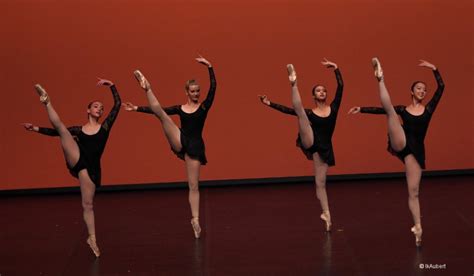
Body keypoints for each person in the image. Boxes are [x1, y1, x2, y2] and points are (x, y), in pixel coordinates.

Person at [348, 58, 444, 246]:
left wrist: (435, 69)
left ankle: (418, 227)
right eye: (419, 88)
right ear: (412, 91)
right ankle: (380, 78)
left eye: (424, 90)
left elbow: (441, 88)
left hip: (414, 152)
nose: (422, 91)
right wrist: (362, 109)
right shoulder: (404, 110)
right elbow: (382, 110)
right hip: (400, 141)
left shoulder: (428, 109)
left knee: (414, 192)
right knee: (391, 112)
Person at [22, 78, 122, 257]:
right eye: (96, 106)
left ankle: (92, 238)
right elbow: (57, 132)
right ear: (88, 110)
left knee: (88, 205)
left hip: (91, 170)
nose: (100, 108)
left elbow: (118, 105)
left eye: (101, 107)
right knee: (62, 130)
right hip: (78, 160)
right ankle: (47, 101)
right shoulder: (79, 130)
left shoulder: (105, 127)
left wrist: (112, 85)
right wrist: (35, 128)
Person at [123, 55, 216, 238]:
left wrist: (210, 68)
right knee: (163, 116)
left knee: (193, 185)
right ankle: (147, 87)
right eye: (193, 91)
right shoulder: (180, 108)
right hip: (180, 138)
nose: (196, 94)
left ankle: (195, 220)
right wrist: (137, 109)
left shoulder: (204, 107)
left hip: (195, 147)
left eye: (198, 91)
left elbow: (213, 89)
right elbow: (159, 110)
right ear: (187, 92)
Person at [259, 59, 344, 232]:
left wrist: (337, 69)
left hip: (324, 149)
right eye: (318, 91)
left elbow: (341, 88)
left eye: (323, 90)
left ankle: (326, 214)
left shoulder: (333, 109)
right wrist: (270, 104)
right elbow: (289, 110)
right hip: (310, 140)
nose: (321, 92)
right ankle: (293, 83)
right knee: (300, 112)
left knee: (320, 184)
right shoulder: (311, 112)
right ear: (314, 96)